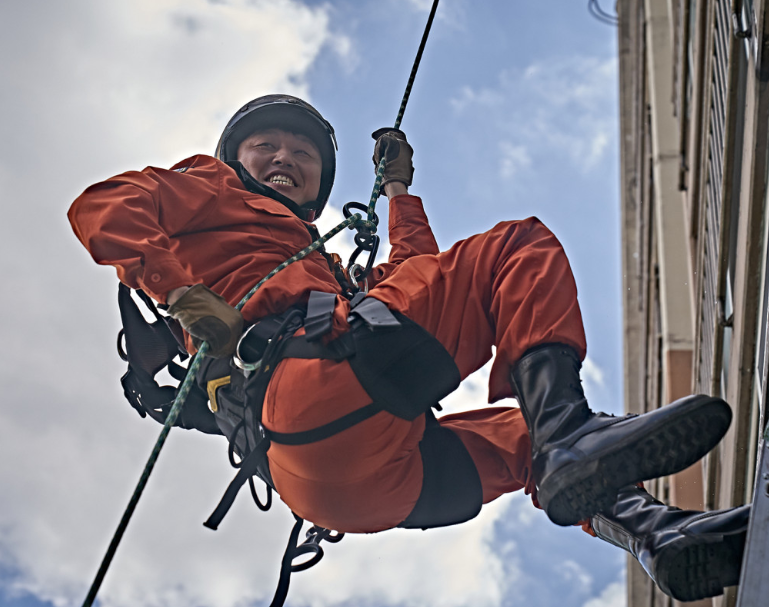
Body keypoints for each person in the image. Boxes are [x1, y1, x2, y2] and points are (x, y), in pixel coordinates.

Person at [68, 94, 749, 601]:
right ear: (233, 160)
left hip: (345, 476)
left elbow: (417, 281)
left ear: (317, 185)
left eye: (301, 154)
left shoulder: (321, 276)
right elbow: (103, 206)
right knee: (517, 248)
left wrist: (399, 193)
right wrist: (181, 293)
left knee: (522, 438)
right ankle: (570, 434)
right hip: (307, 391)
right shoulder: (206, 189)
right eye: (266, 146)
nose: (284, 158)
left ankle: (660, 535)